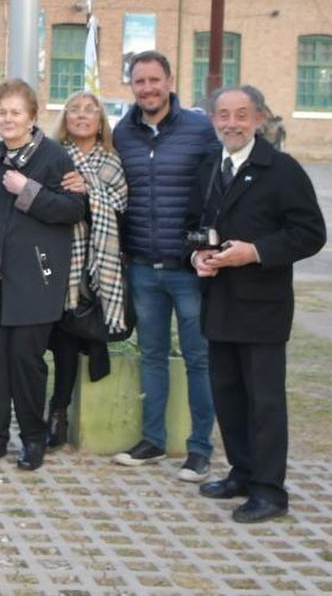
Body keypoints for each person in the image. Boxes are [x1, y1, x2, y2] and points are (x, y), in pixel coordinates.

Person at [188, 86, 327, 524]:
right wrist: (196, 256)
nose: (231, 122)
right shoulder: (209, 166)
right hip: (218, 301)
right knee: (228, 396)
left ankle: (270, 490)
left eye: (241, 115)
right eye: (223, 115)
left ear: (259, 118)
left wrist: (256, 251)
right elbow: (193, 226)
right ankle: (242, 473)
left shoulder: (282, 170)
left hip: (262, 306)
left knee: (264, 402)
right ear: (213, 120)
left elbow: (310, 233)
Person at [111, 51, 219, 482]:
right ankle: (152, 440)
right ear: (131, 86)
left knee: (198, 358)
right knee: (151, 355)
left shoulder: (199, 130)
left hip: (189, 267)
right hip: (142, 265)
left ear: (170, 81)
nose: (148, 89)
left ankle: (199, 449)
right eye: (140, 82)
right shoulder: (123, 132)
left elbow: (219, 186)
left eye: (155, 80)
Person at [0, 79, 88, 471]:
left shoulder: (54, 157)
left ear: (32, 116)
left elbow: (74, 209)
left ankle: (33, 438)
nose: (8, 119)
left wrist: (29, 192)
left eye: (16, 112)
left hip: (36, 277)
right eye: (2, 112)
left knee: (26, 360)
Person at [48, 90, 129, 448]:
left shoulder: (112, 161)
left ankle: (59, 412)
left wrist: (88, 187)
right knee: (39, 341)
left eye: (90, 110)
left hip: (93, 266)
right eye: (74, 110)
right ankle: (34, 413)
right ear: (65, 119)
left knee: (69, 339)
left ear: (100, 121)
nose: (81, 116)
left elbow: (120, 204)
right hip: (53, 258)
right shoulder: (52, 156)